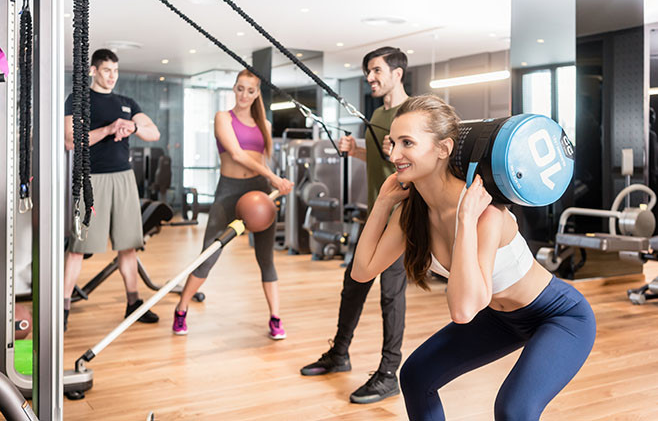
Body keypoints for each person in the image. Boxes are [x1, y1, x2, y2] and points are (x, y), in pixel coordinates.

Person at [352, 94, 597, 420]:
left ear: (443, 149)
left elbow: (464, 310)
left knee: (514, 408)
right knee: (416, 376)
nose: (394, 154)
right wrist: (383, 204)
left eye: (407, 143)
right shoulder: (411, 213)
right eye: (393, 142)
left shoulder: (484, 212)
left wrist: (466, 221)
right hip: (501, 320)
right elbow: (363, 271)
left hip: (558, 317)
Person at [300, 47, 409, 404]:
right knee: (354, 283)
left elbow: (421, 157)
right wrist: (356, 148)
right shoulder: (378, 113)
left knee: (391, 294)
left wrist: (401, 148)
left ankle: (390, 373)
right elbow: (384, 155)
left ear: (397, 73)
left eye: (376, 70)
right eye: (368, 72)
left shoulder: (413, 113)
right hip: (375, 213)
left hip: (402, 218)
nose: (370, 78)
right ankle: (340, 353)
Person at [172, 69, 293, 339]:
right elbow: (237, 155)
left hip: (259, 192)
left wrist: (275, 184)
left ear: (257, 93)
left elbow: (262, 161)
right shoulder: (222, 118)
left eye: (250, 90)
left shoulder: (265, 125)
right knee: (209, 254)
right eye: (240, 88)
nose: (244, 95)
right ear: (234, 88)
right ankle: (181, 310)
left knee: (266, 259)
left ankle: (275, 318)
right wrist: (274, 177)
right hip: (229, 191)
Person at [63, 48, 161, 331]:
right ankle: (63, 308)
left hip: (124, 178)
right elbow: (71, 141)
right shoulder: (79, 99)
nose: (112, 76)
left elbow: (153, 132)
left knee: (129, 246)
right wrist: (108, 129)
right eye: (107, 70)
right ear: (93, 71)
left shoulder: (126, 102)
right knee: (78, 249)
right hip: (92, 178)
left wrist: (131, 125)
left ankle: (134, 303)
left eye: (116, 71)